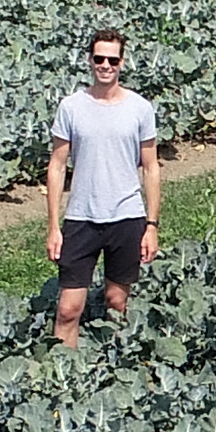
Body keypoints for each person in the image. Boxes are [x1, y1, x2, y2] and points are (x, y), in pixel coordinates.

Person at [42, 27, 164, 339]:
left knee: (116, 301)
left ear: (122, 62)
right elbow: (56, 166)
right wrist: (54, 226)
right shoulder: (71, 107)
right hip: (82, 217)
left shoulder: (139, 108)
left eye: (112, 60)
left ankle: (112, 368)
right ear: (90, 61)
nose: (106, 66)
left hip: (126, 216)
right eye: (100, 59)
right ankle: (60, 373)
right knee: (68, 308)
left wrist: (151, 225)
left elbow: (151, 168)